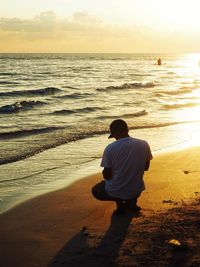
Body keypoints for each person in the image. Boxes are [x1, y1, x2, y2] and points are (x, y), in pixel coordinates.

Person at [92, 119, 153, 214]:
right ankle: (132, 202)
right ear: (127, 130)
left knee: (96, 190)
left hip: (117, 190)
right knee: (128, 181)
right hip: (136, 190)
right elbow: (146, 167)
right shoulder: (144, 144)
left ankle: (120, 203)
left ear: (115, 133)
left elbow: (107, 175)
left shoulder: (110, 148)